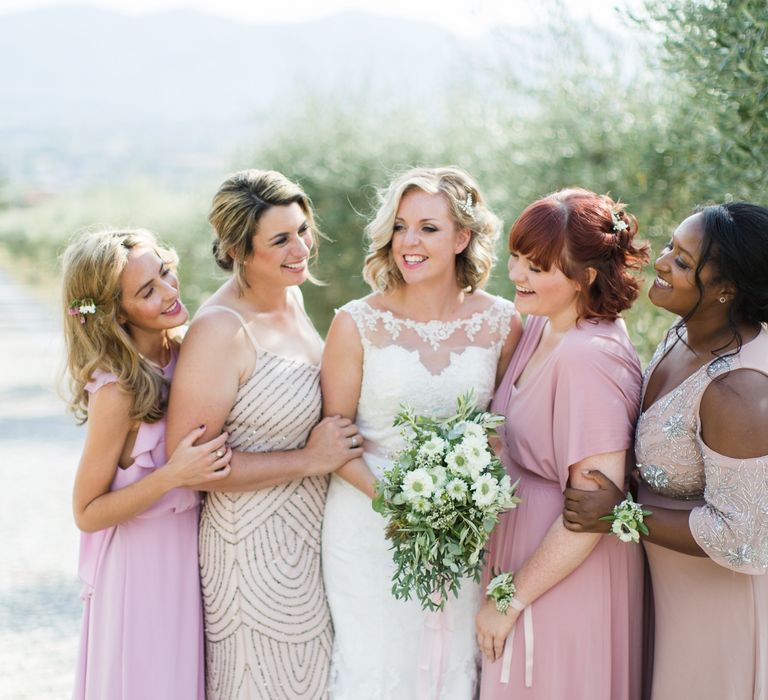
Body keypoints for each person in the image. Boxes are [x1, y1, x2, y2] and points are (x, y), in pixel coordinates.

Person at [320, 166, 521, 698]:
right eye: (401, 226)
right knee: (376, 666)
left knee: (451, 661)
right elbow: (333, 444)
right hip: (368, 525)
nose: (409, 242)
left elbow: (502, 433)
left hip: (460, 532)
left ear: (462, 237)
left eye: (428, 228)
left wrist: (460, 511)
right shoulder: (356, 323)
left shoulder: (502, 323)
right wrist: (397, 505)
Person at [165, 169, 361, 700]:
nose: (301, 248)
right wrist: (308, 460)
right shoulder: (220, 330)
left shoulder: (292, 300)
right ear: (237, 250)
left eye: (302, 230)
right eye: (280, 239)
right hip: (251, 551)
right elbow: (194, 468)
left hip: (313, 539)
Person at [562, 202, 768, 699]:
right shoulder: (686, 335)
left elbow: (745, 539)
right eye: (672, 245)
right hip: (665, 588)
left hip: (718, 609)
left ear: (725, 290)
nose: (661, 261)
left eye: (682, 260)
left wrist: (620, 515)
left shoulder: (739, 392)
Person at [476, 188, 650, 700]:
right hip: (525, 560)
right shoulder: (540, 325)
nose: (517, 275)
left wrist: (510, 602)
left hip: (564, 575)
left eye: (537, 266)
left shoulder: (587, 357)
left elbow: (592, 512)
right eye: (517, 257)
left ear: (586, 277)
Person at [64, 228, 232, 700]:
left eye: (165, 273)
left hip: (190, 557)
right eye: (147, 291)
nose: (169, 292)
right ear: (116, 310)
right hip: (139, 569)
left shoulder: (188, 354)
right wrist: (173, 475)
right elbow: (87, 510)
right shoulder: (118, 390)